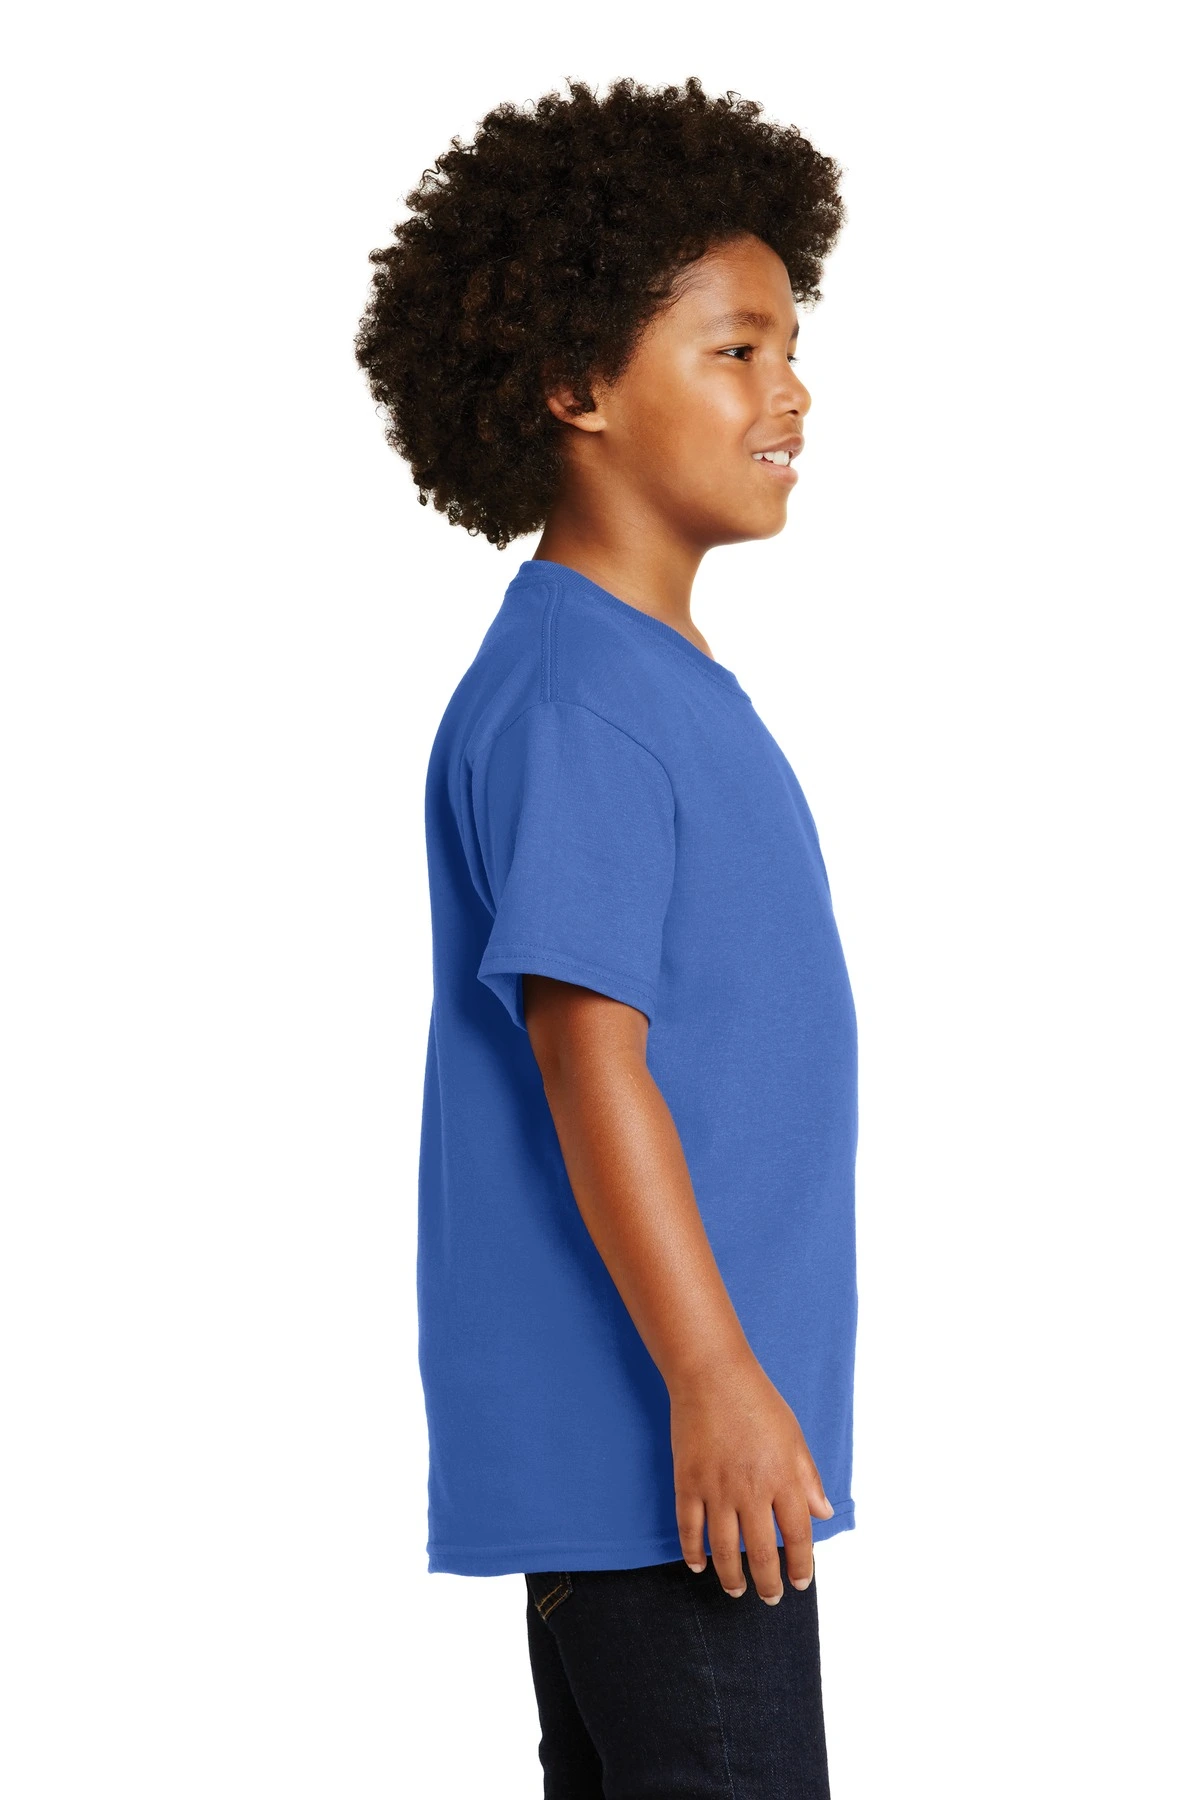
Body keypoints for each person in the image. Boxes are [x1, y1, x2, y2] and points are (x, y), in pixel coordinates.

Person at [355, 75, 858, 1799]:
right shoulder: (582, 701)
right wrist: (714, 1375)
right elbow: (590, 1058)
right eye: (735, 349)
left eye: (791, 346)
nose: (789, 389)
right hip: (662, 1465)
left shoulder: (642, 680)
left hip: (670, 1470)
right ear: (575, 385)